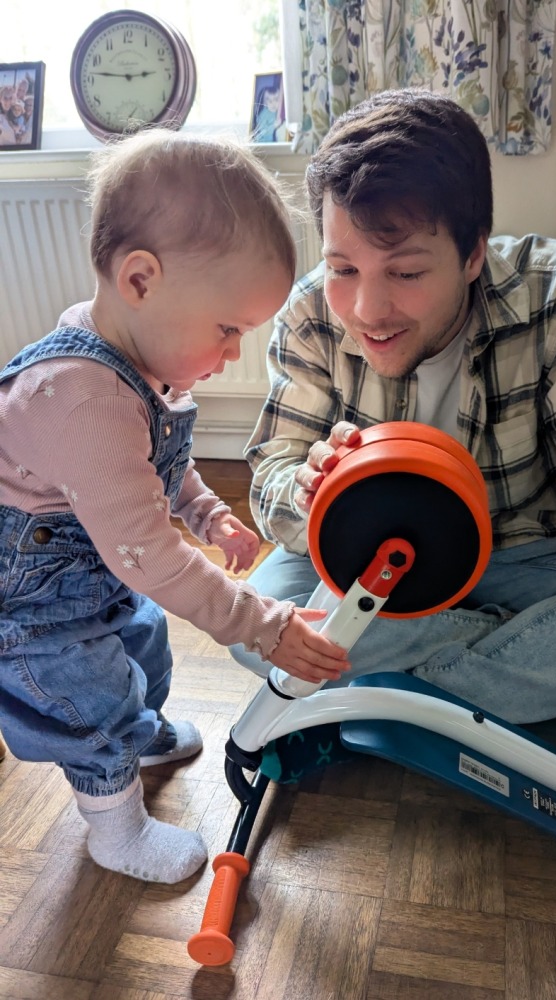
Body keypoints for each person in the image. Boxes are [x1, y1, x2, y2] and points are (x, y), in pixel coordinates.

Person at [232, 88, 556, 823]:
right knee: (256, 630)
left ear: (472, 253)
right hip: (374, 554)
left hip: (524, 548)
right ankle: (466, 673)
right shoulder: (311, 314)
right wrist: (301, 490)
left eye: (403, 272)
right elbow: (272, 465)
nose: (367, 309)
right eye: (344, 268)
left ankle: (374, 689)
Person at [0, 129, 349, 886]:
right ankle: (115, 830)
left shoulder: (139, 360)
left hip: (89, 566)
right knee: (85, 697)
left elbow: (159, 468)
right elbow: (152, 556)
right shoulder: (80, 396)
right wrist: (266, 624)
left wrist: (203, 511)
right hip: (31, 608)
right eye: (228, 330)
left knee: (143, 636)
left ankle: (145, 731)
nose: (232, 354)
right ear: (140, 280)